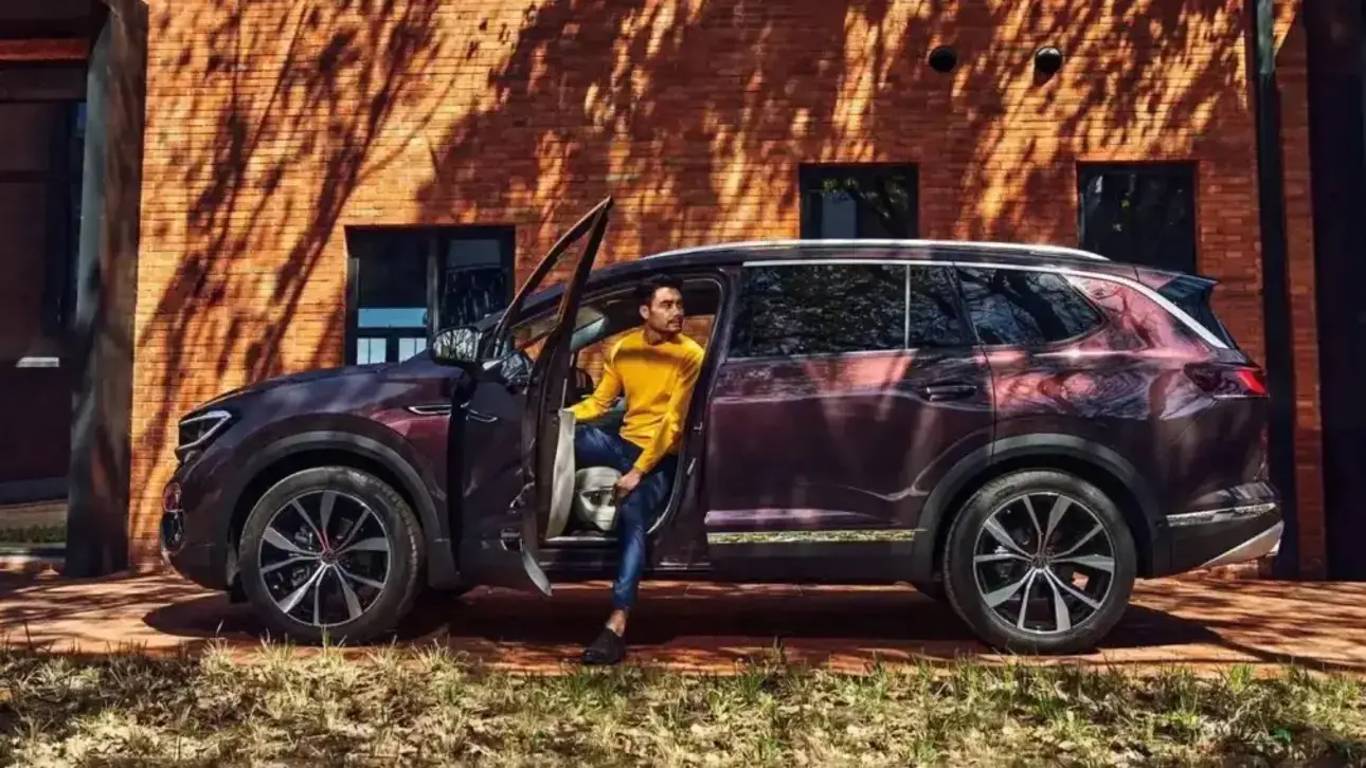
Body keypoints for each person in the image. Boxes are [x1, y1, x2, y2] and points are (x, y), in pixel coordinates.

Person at [569, 275, 704, 665]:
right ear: (646, 311)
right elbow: (598, 404)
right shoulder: (623, 349)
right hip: (622, 445)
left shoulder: (690, 355)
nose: (677, 312)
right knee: (564, 437)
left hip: (660, 457)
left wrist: (637, 473)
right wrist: (557, 418)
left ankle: (616, 623)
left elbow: (673, 425)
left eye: (679, 305)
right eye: (667, 305)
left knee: (632, 515)